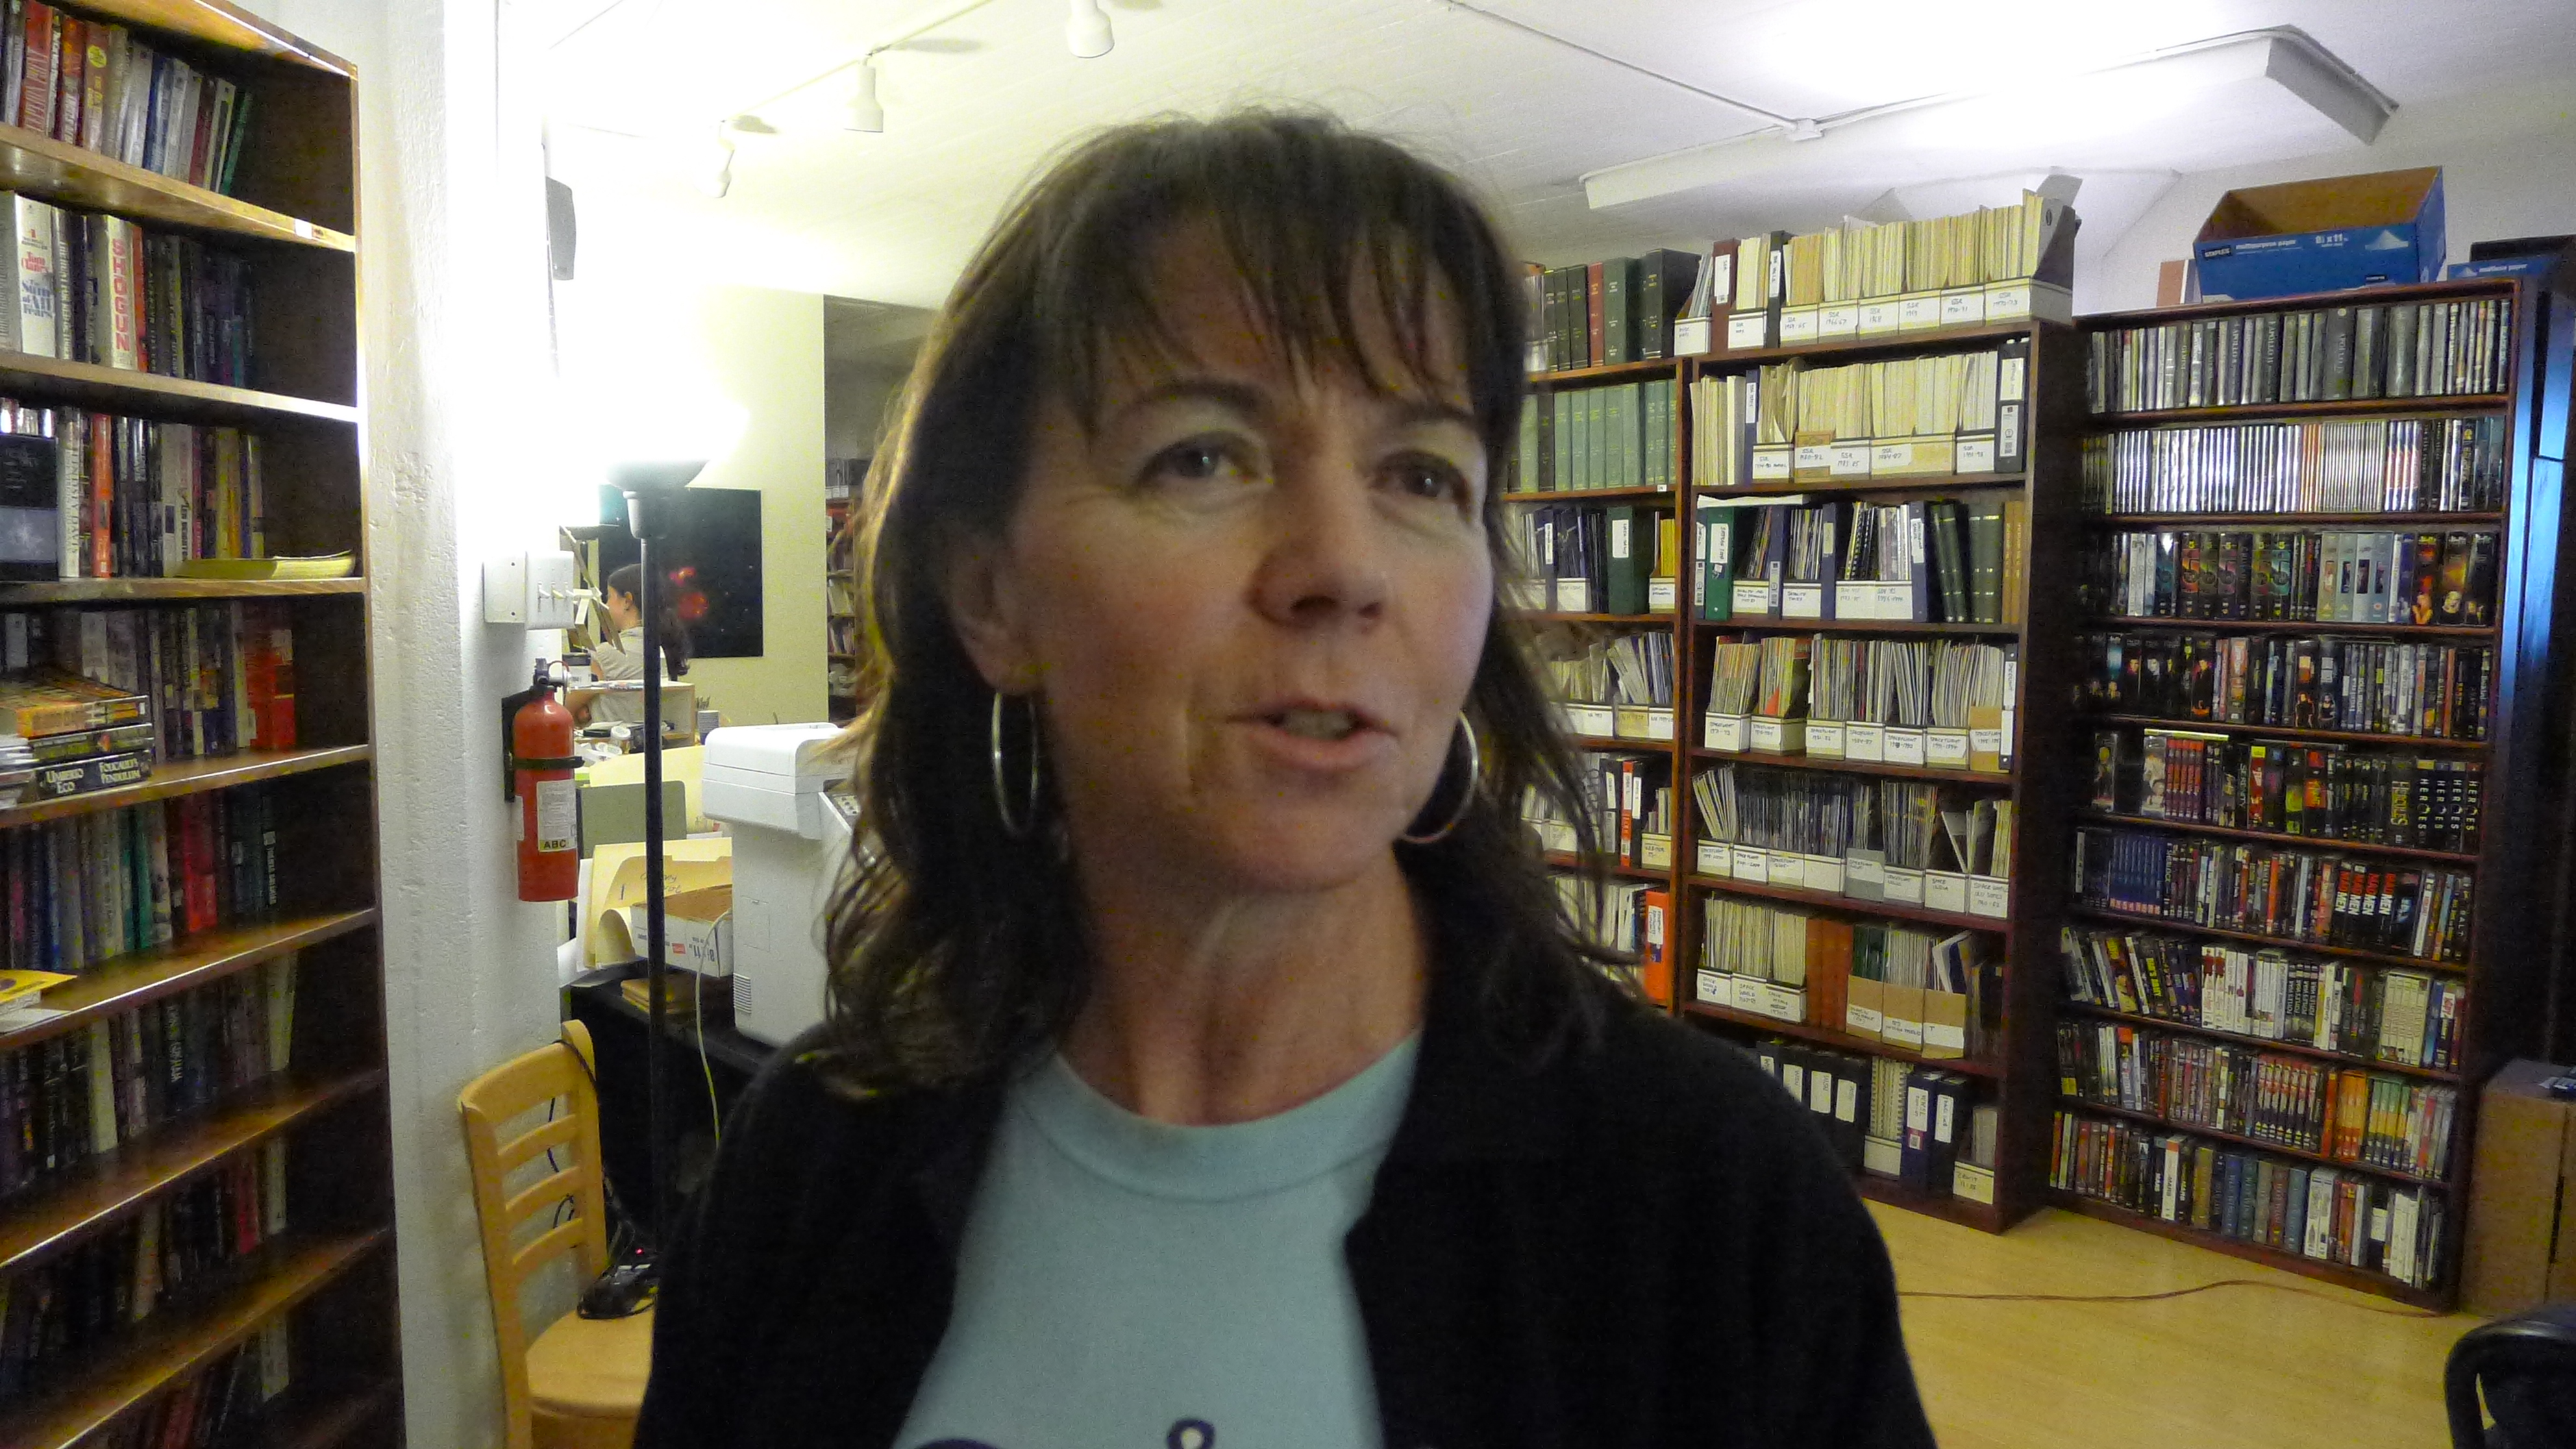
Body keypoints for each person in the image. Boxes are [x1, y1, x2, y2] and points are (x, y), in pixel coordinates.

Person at [634, 112, 1935, 1449]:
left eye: (1420, 475)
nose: (1343, 566)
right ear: (989, 594)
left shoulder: (1712, 1206)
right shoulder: (813, 1163)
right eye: (1202, 456)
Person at [582, 563, 690, 725]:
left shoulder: (602, 655)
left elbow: (570, 711)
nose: (607, 605)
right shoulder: (664, 646)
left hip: (614, 741)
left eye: (609, 596)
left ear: (627, 601)